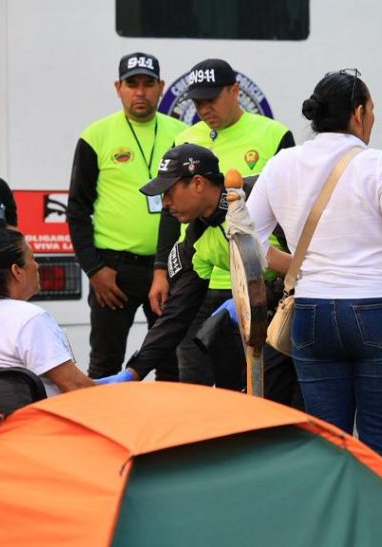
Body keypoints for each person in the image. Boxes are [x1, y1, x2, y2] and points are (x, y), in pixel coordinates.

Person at [245, 69, 382, 475]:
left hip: (312, 312)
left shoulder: (281, 165)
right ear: (359, 113)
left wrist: (297, 268)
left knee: (329, 446)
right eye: (372, 111)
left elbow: (246, 241)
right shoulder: (379, 164)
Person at [98, 143, 296, 401]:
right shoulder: (197, 238)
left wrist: (263, 295)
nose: (165, 203)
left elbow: (312, 259)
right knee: (219, 340)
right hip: (276, 318)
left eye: (169, 192)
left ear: (198, 183)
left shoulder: (259, 197)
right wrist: (134, 371)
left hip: (317, 304)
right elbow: (177, 312)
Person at [150, 58, 294, 389]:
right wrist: (160, 269)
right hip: (200, 277)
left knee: (252, 383)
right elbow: (169, 210)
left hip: (255, 281)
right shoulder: (185, 138)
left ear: (235, 90)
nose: (204, 109)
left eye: (211, 99)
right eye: (197, 102)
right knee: (194, 382)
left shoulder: (273, 134)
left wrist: (290, 273)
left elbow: (290, 210)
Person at [66, 53, 186, 380]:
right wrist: (94, 269)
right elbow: (77, 209)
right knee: (105, 363)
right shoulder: (96, 135)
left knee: (173, 365)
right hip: (113, 271)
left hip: (171, 266)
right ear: (118, 87)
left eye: (148, 83)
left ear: (161, 87)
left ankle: (170, 417)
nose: (140, 92)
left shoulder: (183, 134)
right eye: (132, 84)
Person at [0, 228, 94, 395]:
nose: (37, 265)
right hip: (42, 412)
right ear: (17, 271)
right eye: (32, 258)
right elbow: (76, 387)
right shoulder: (29, 318)